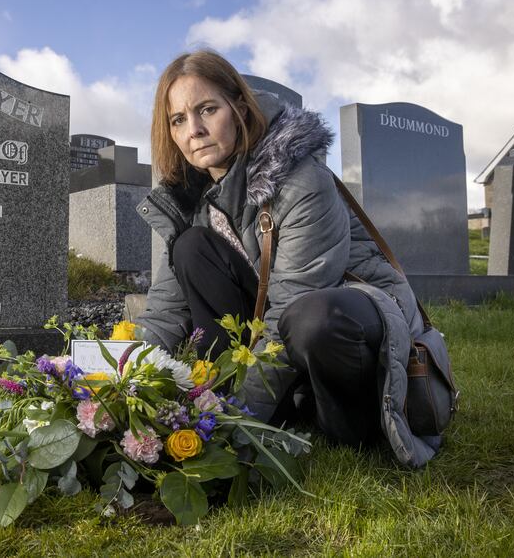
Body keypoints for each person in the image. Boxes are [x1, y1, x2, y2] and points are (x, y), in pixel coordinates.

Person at [135, 50, 438, 467]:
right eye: (178, 120)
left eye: (207, 110)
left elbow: (287, 310)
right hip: (291, 332)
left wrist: (233, 429)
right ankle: (233, 397)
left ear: (239, 107)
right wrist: (120, 382)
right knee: (192, 248)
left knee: (311, 317)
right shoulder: (194, 199)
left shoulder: (300, 180)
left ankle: (353, 423)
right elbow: (166, 311)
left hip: (354, 321)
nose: (195, 131)